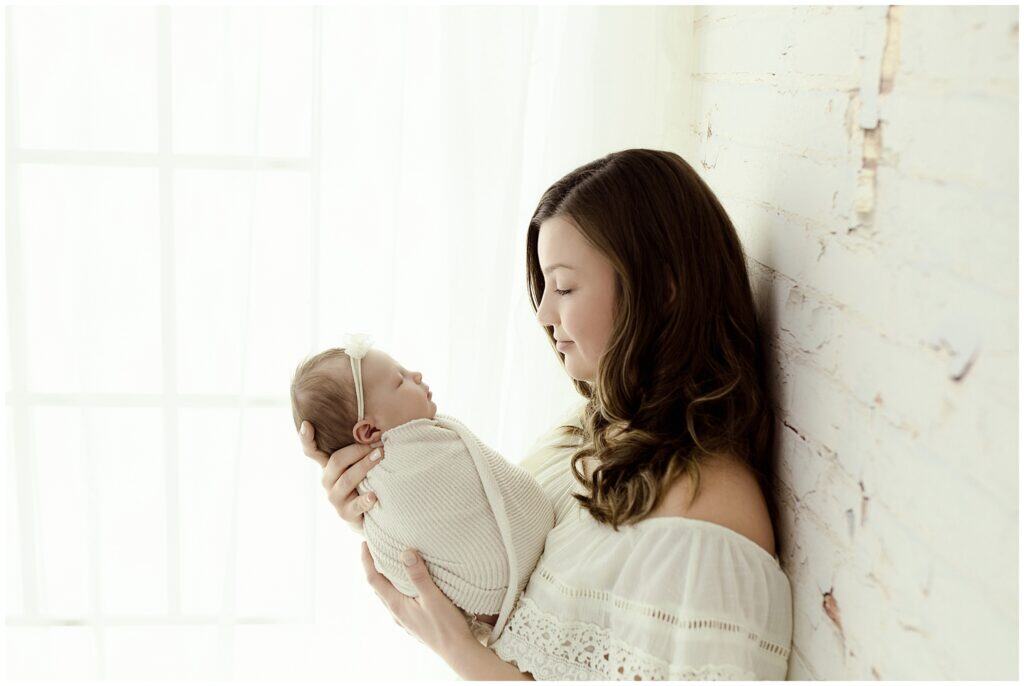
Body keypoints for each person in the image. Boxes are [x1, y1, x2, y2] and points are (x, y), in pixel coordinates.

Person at [299, 149, 793, 679]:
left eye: (564, 287)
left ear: (663, 288)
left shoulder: (704, 524)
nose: (542, 313)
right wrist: (384, 498)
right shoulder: (586, 432)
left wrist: (460, 653)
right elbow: (491, 568)